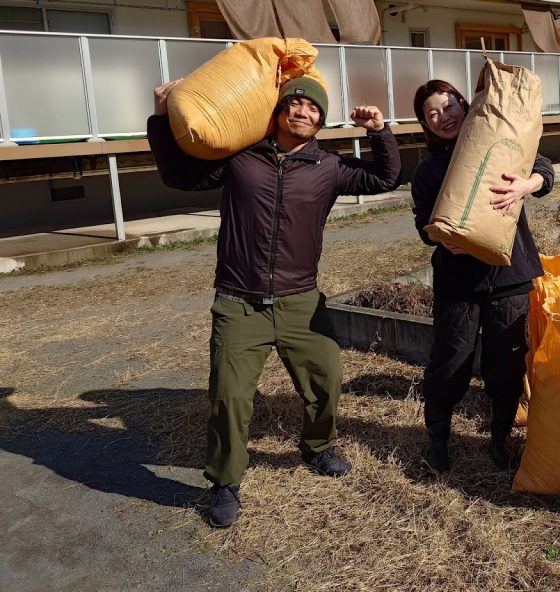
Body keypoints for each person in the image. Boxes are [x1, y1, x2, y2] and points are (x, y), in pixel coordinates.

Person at [148, 75, 401, 528]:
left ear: (321, 120)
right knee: (229, 397)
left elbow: (384, 177)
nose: (303, 112)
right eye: (295, 104)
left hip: (301, 300)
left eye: (313, 108)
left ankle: (318, 448)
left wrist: (378, 131)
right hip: (238, 301)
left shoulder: (328, 167)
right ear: (279, 111)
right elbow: (178, 175)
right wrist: (161, 117)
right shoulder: (240, 157)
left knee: (327, 379)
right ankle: (225, 481)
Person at [410, 79, 554, 473]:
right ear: (425, 123)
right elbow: (424, 225)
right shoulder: (428, 170)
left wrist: (527, 185)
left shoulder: (497, 139)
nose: (444, 117)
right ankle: (438, 438)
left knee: (506, 365)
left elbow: (544, 168)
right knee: (451, 360)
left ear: (463, 102)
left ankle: (500, 438)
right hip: (458, 281)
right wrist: (440, 236)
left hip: (510, 274)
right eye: (432, 113)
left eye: (448, 105)